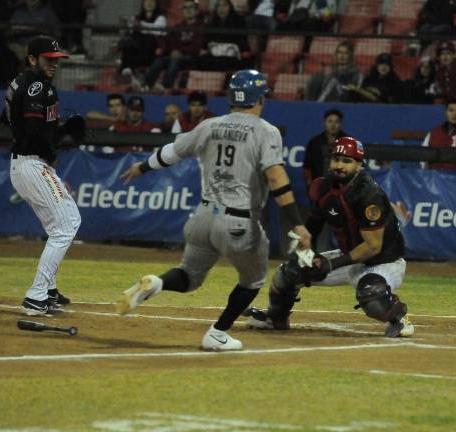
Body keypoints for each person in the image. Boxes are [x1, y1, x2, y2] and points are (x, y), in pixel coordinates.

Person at [116, 69, 311, 351]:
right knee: (254, 279)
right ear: (259, 98)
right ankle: (217, 333)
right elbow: (276, 178)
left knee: (189, 276)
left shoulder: (208, 125)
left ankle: (156, 283)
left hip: (203, 217)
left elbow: (172, 152)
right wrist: (297, 224)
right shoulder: (266, 131)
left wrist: (142, 167)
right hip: (238, 221)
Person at [242, 136, 414, 338]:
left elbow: (372, 247)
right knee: (288, 273)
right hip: (349, 257)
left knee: (371, 294)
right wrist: (308, 256)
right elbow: (310, 230)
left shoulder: (369, 195)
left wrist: (331, 264)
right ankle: (276, 318)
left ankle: (399, 318)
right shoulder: (321, 188)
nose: (339, 165)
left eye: (347, 161)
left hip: (382, 262)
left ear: (359, 165)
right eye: (336, 159)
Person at [5, 36, 80, 316]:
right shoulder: (37, 86)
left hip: (29, 163)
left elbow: (19, 123)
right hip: (32, 163)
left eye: (56, 59)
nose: (54, 64)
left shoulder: (22, 82)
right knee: (67, 225)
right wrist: (53, 148)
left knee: (59, 226)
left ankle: (48, 290)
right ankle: (36, 296)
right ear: (32, 59)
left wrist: (57, 134)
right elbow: (34, 131)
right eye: (49, 59)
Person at [142, 0, 205, 92]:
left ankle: (165, 87)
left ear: (196, 11)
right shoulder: (178, 27)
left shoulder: (201, 27)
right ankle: (145, 85)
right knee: (160, 61)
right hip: (175, 54)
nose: (188, 10)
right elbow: (170, 42)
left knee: (175, 61)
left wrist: (181, 52)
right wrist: (174, 51)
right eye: (185, 8)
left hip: (192, 57)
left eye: (191, 7)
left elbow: (197, 46)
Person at [118, 0, 167, 83]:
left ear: (156, 4)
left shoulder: (161, 18)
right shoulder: (137, 18)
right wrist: (124, 25)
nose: (149, 3)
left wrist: (141, 25)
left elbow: (157, 31)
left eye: (152, 1)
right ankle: (127, 69)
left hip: (152, 50)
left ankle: (125, 65)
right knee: (128, 41)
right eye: (146, 1)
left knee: (147, 38)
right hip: (137, 49)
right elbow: (131, 31)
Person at [197, 0, 253, 71]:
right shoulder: (211, 24)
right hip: (214, 57)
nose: (221, 8)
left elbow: (243, 43)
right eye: (219, 6)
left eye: (224, 5)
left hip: (232, 58)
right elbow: (205, 44)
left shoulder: (239, 22)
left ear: (230, 7)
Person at [302, 108, 348, 187]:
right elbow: (307, 167)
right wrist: (310, 185)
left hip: (342, 186)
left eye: (336, 122)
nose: (333, 125)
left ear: (341, 124)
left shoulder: (348, 142)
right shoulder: (314, 142)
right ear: (324, 123)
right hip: (319, 185)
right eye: (330, 121)